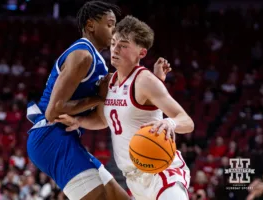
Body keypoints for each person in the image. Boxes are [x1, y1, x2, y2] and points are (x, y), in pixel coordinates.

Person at [26, 1, 168, 199]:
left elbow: (103, 118)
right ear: (91, 25)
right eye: (110, 24)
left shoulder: (101, 64)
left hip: (67, 138)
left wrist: (155, 83)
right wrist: (98, 97)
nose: (114, 30)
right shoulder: (82, 54)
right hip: (49, 136)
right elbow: (53, 111)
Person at [55, 16, 194, 200]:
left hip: (161, 174)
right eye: (113, 43)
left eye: (123, 45)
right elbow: (104, 120)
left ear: (141, 53)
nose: (115, 49)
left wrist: (170, 122)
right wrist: (78, 121)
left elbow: (187, 122)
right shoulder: (109, 82)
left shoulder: (145, 80)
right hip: (134, 181)